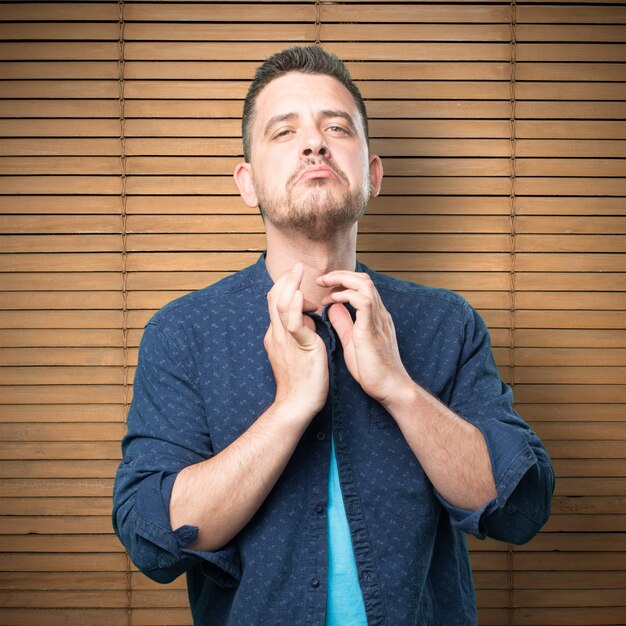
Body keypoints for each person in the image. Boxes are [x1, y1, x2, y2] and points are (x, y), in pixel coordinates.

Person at [113, 45, 554, 625]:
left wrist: (398, 387)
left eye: (337, 127)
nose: (314, 142)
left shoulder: (448, 324)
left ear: (372, 175)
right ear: (247, 183)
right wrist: (289, 409)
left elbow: (519, 508)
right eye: (283, 131)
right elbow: (152, 537)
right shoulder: (182, 335)